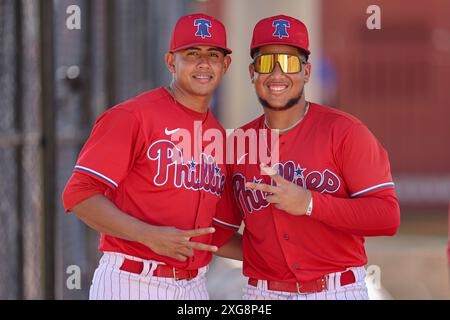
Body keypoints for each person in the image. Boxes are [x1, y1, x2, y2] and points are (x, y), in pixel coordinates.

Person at [212, 15, 400, 300]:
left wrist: (310, 204)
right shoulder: (237, 144)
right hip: (262, 294)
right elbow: (219, 233)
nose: (277, 74)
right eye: (265, 63)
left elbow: (387, 218)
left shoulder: (345, 132)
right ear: (252, 72)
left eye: (289, 63)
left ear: (307, 72)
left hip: (336, 290)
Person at [62, 13, 234, 300]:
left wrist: (297, 255)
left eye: (213, 55)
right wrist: (147, 234)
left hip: (194, 287)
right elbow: (78, 195)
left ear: (225, 65)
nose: (204, 63)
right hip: (132, 281)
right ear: (171, 61)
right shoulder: (132, 116)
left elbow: (212, 235)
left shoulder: (217, 135)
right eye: (192, 53)